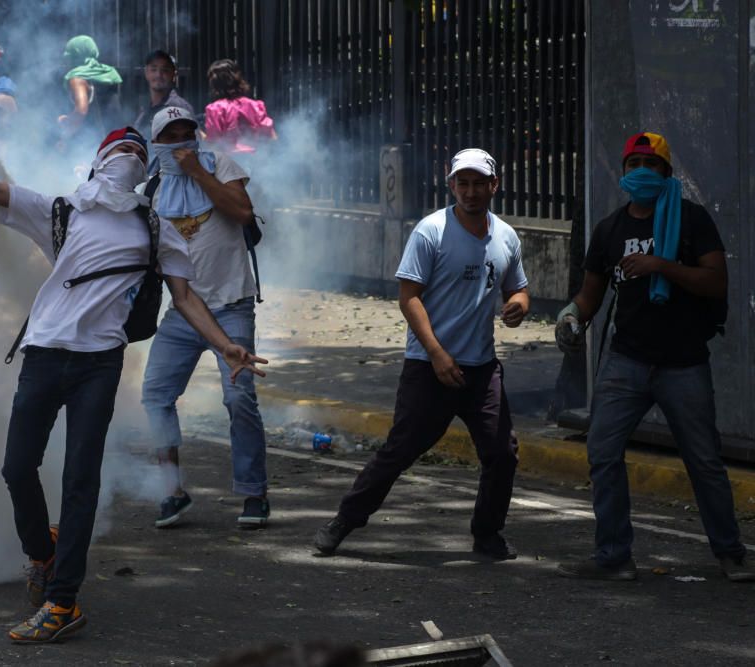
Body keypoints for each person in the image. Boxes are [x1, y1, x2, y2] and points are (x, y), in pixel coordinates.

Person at [0, 126, 267, 643]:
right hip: (44, 353)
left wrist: (226, 346)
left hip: (100, 362)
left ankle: (63, 602)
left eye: (138, 151)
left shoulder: (156, 227)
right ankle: (42, 552)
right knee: (17, 466)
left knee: (79, 479)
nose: (130, 156)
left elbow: (184, 298)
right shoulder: (63, 209)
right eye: (121, 149)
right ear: (99, 162)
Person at [554, 132, 754, 582]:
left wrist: (661, 266)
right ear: (623, 172)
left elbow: (717, 283)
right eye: (633, 163)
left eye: (651, 163)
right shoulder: (609, 229)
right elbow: (590, 295)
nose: (641, 171)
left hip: (683, 363)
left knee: (703, 460)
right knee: (602, 452)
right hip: (625, 361)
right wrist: (570, 318)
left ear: (667, 173)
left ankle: (731, 554)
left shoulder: (692, 220)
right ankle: (613, 557)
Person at [314, 148, 529, 560]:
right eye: (462, 183)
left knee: (502, 453)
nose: (470, 192)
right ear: (451, 185)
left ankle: (487, 535)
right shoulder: (430, 231)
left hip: (481, 369)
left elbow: (517, 287)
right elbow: (408, 297)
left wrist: (520, 304)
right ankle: (344, 520)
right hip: (430, 367)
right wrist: (436, 353)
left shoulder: (506, 236)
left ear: (493, 186)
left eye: (478, 183)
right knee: (399, 452)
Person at [139, 107, 270, 529]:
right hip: (182, 311)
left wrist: (197, 171)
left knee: (238, 397)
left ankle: (253, 494)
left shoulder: (220, 165)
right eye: (171, 136)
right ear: (157, 143)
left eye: (187, 132)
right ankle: (172, 491)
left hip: (231, 303)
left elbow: (242, 213)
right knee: (156, 396)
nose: (181, 142)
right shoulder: (152, 189)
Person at [56, 35, 122, 153]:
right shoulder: (109, 73)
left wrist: (67, 123)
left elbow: (81, 110)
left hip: (88, 147)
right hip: (115, 143)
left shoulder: (77, 78)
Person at [203, 59, 276, 156]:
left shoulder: (215, 109)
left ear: (214, 84)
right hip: (256, 163)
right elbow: (271, 138)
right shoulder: (255, 105)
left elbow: (214, 144)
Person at [133, 50, 194, 140]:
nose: (158, 75)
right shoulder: (145, 110)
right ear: (146, 73)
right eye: (154, 69)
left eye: (165, 70)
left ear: (173, 74)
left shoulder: (178, 108)